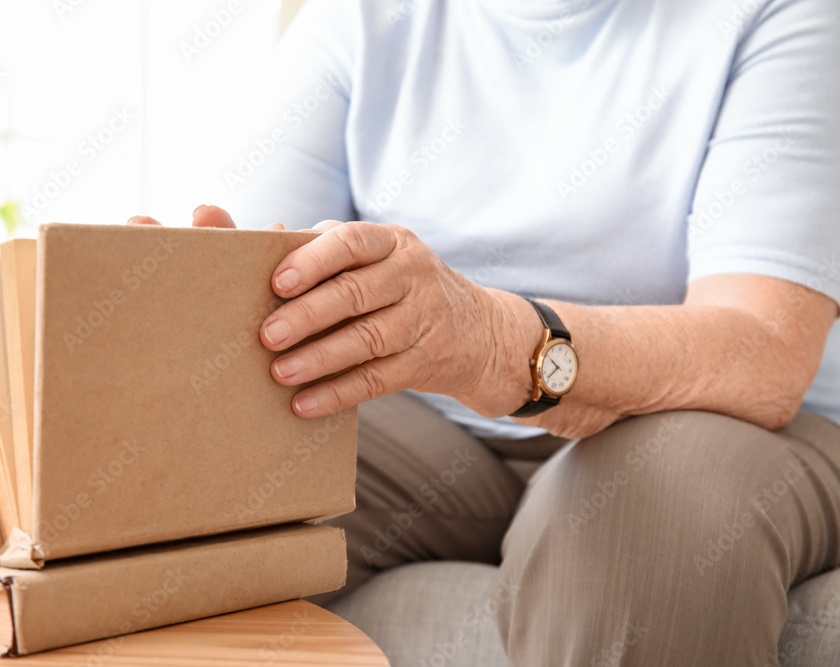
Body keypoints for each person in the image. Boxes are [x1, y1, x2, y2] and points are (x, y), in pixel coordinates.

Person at [130, 0, 840, 663]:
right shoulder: (360, 18)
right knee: (186, 462)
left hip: (719, 421)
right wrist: (199, 319)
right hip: (438, 427)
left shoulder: (779, 15)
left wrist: (495, 340)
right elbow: (268, 286)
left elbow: (762, 348)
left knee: (641, 535)